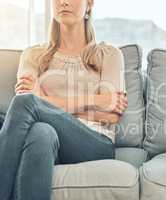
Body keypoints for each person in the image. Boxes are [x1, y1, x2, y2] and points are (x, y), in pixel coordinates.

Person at [0, 0, 127, 199]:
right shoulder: (33, 55)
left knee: (28, 105)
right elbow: (28, 102)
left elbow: (110, 116)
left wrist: (43, 100)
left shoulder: (109, 55)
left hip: (94, 141)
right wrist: (96, 100)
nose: (64, 2)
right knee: (41, 132)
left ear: (89, 4)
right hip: (49, 139)